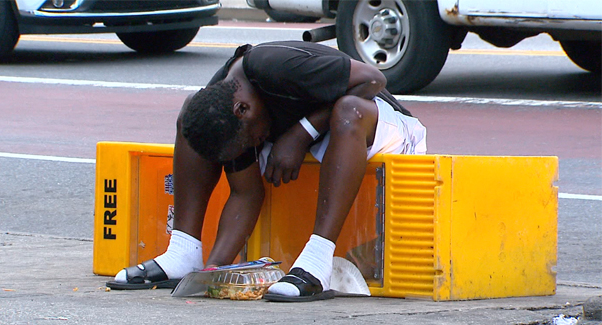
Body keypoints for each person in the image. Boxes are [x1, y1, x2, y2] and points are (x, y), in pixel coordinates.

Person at [106, 41, 426, 302]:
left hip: (372, 122)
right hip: (310, 137)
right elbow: (247, 193)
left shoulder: (276, 64)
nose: (255, 145)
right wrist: (215, 272)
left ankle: (317, 262)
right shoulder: (223, 106)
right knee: (191, 114)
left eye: (252, 140)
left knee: (347, 111)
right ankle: (184, 252)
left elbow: (373, 80)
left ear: (243, 109)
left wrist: (300, 134)